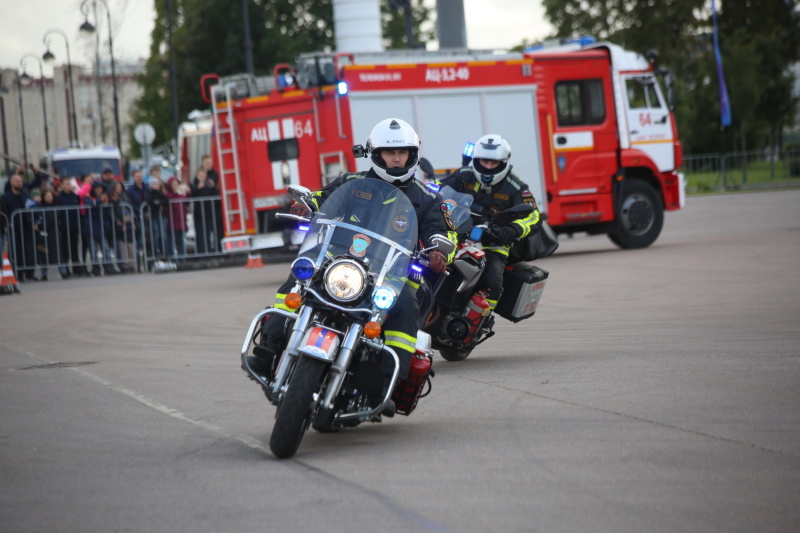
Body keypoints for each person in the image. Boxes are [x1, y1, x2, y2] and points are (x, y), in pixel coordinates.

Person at [249, 118, 457, 389]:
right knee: (297, 279)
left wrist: (439, 251)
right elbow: (321, 198)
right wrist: (306, 205)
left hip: (391, 271)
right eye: (390, 153)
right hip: (337, 259)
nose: (396, 159)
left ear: (412, 154)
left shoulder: (427, 198)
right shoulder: (351, 182)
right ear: (376, 154)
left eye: (402, 153)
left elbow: (444, 233)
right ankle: (269, 348)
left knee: (406, 305)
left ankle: (390, 378)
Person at [438, 134, 541, 313]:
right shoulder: (464, 175)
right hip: (457, 233)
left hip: (493, 243)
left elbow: (533, 216)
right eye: (484, 162)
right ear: (477, 160)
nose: (488, 167)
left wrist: (512, 229)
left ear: (503, 162)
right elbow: (437, 190)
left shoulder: (515, 186)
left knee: (492, 281)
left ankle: (477, 321)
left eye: (494, 163)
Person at [1, 174, 35, 281]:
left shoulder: (26, 195)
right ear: (11, 183)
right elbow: (4, 213)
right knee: (16, 251)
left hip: (27, 228)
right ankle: (18, 274)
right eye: (16, 181)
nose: (19, 183)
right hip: (13, 228)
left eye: (20, 181)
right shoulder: (5, 197)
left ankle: (30, 273)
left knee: (29, 250)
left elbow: (33, 208)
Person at [83, 180, 114, 276]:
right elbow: (90, 204)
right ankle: (96, 269)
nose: (99, 190)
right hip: (91, 227)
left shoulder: (107, 198)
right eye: (97, 188)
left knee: (105, 248)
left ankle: (109, 268)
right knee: (93, 250)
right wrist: (100, 201)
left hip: (102, 227)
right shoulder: (88, 197)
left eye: (101, 188)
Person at [56, 177, 85, 278]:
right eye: (66, 184)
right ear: (62, 185)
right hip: (63, 227)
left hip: (74, 227)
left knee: (74, 248)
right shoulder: (59, 198)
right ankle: (65, 270)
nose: (68, 186)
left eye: (69, 184)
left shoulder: (74, 196)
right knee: (65, 249)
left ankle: (76, 269)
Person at [190, 167, 220, 255]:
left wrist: (213, 187)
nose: (202, 178)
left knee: (209, 235)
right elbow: (192, 196)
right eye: (200, 176)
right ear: (197, 176)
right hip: (199, 215)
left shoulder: (209, 185)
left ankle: (210, 253)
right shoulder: (193, 185)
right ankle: (200, 253)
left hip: (209, 214)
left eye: (203, 176)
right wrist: (198, 188)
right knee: (200, 235)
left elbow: (216, 197)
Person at [108, 181, 136, 273]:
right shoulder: (111, 199)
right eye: (117, 187)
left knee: (130, 246)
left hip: (127, 224)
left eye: (120, 187)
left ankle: (131, 265)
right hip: (116, 226)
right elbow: (111, 212)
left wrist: (130, 218)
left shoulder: (125, 197)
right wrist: (117, 220)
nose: (119, 189)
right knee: (120, 247)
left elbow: (129, 208)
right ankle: (123, 266)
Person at [165, 176, 189, 262]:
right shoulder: (167, 196)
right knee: (172, 243)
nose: (175, 186)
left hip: (181, 223)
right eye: (173, 184)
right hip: (172, 223)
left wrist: (187, 192)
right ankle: (173, 260)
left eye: (176, 184)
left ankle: (181, 259)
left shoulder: (180, 196)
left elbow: (187, 201)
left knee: (181, 243)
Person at [146, 176, 169, 260]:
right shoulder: (149, 193)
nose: (156, 185)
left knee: (163, 234)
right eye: (154, 184)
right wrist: (158, 205)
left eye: (157, 184)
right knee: (156, 234)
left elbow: (166, 200)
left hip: (161, 216)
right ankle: (157, 250)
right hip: (154, 216)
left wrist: (159, 204)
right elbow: (150, 202)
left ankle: (165, 250)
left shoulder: (160, 193)